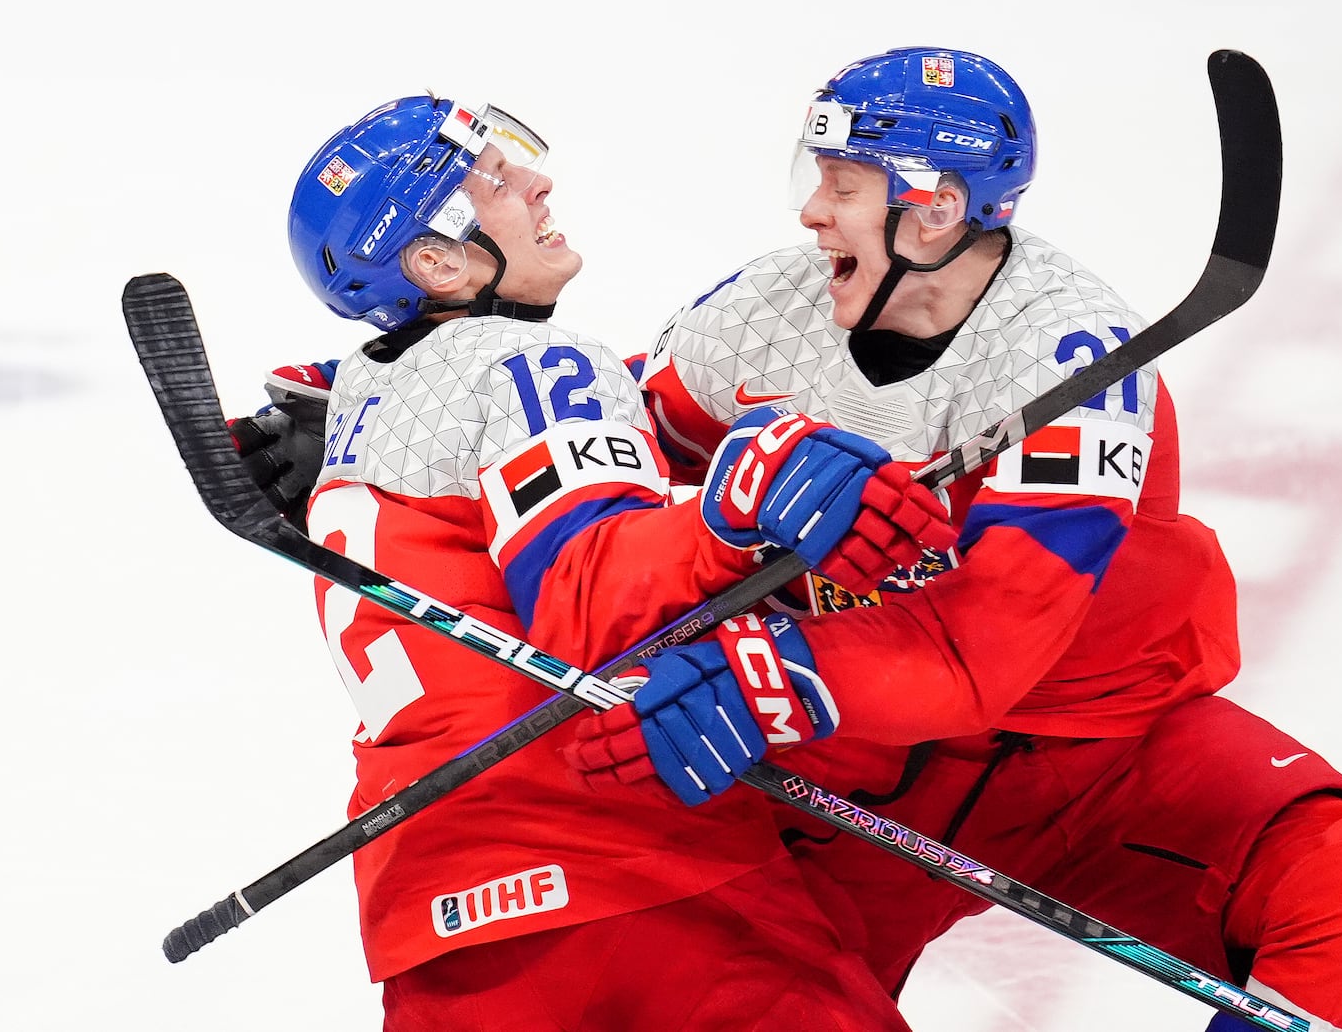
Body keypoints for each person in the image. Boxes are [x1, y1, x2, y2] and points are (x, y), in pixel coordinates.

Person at [563, 48, 1342, 1032]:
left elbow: (982, 648)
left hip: (1092, 753)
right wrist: (413, 418)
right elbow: (610, 476)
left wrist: (762, 674)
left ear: (931, 206)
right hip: (856, 773)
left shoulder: (1068, 353)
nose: (812, 212)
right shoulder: (764, 315)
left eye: (842, 186)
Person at [269, 91, 955, 1030]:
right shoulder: (531, 366)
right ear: (434, 261)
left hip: (436, 914)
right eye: (495, 181)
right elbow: (589, 598)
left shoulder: (358, 404)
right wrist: (734, 507)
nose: (537, 182)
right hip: (628, 874)